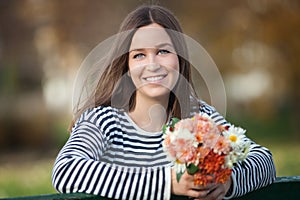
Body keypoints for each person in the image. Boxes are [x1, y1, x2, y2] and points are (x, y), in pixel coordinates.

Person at [51, 5, 276, 200]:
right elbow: (66, 170)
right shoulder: (103, 120)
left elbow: (264, 161)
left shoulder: (199, 117)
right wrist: (168, 183)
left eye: (163, 51)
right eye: (139, 55)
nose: (152, 64)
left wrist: (227, 182)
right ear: (126, 65)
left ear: (179, 57)